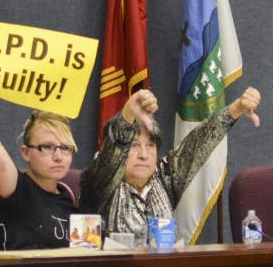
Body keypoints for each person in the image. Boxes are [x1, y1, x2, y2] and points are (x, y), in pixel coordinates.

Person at [81, 87, 262, 243]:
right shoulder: (100, 181)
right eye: (134, 146)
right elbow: (112, 153)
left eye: (150, 145)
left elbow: (196, 145)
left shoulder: (163, 178)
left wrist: (236, 109)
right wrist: (128, 114)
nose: (143, 155)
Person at [0, 81, 78, 249]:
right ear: (26, 152)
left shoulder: (70, 197)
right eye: (47, 147)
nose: (58, 157)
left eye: (65, 148)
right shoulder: (16, 187)